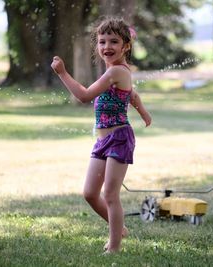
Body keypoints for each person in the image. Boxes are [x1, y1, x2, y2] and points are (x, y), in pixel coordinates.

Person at [51, 17, 152, 254]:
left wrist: (63, 73)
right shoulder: (116, 71)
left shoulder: (116, 70)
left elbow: (85, 96)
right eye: (102, 41)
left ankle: (114, 247)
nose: (107, 47)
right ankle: (120, 229)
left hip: (119, 139)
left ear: (126, 46)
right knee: (89, 193)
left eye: (114, 42)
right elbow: (132, 95)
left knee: (110, 194)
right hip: (103, 141)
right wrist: (145, 113)